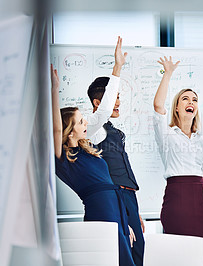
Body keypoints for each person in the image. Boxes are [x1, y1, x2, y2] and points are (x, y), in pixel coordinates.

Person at [51, 37, 136, 266]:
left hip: (115, 205)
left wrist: (124, 219)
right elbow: (56, 126)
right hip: (100, 208)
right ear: (69, 132)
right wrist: (54, 90)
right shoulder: (64, 158)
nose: (85, 123)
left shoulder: (87, 149)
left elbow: (105, 109)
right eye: (80, 121)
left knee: (123, 257)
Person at [153, 56, 203, 266]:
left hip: (201, 200)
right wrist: (168, 73)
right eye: (185, 99)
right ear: (176, 108)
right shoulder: (166, 134)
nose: (191, 102)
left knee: (202, 254)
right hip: (176, 197)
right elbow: (157, 106)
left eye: (194, 100)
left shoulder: (202, 140)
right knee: (178, 254)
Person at [86, 42, 145, 266]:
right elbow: (103, 111)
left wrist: (134, 212)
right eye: (115, 97)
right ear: (98, 103)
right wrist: (117, 68)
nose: (118, 102)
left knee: (138, 253)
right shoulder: (92, 128)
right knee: (126, 256)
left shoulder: (110, 129)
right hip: (116, 196)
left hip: (128, 197)